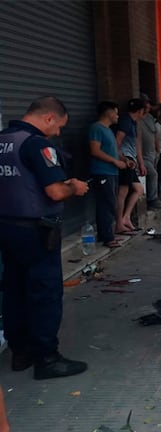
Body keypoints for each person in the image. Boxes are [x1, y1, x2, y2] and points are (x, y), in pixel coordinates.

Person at [0, 96, 89, 380]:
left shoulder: (4, 139)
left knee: (14, 289)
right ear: (49, 117)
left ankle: (21, 352)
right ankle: (46, 358)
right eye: (60, 126)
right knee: (45, 292)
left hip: (7, 226)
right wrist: (74, 187)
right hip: (36, 230)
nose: (59, 133)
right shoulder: (36, 144)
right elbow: (54, 191)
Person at [89, 101, 127, 249]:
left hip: (112, 171)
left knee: (111, 202)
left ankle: (107, 233)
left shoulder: (108, 130)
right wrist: (115, 162)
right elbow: (95, 150)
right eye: (116, 113)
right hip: (102, 171)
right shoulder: (96, 128)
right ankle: (107, 237)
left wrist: (124, 159)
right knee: (107, 203)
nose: (117, 116)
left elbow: (113, 150)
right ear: (109, 112)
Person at [114, 98, 145, 234]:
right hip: (125, 160)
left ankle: (125, 218)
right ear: (140, 111)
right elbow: (117, 142)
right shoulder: (126, 122)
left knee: (138, 189)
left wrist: (139, 161)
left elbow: (136, 144)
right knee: (122, 192)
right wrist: (123, 159)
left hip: (130, 160)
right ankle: (119, 223)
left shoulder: (132, 122)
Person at [139, 99, 161, 210]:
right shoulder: (137, 120)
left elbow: (154, 134)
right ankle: (152, 199)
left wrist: (157, 149)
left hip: (152, 154)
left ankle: (153, 199)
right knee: (153, 174)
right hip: (142, 156)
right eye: (145, 108)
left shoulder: (149, 118)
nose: (147, 110)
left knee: (154, 176)